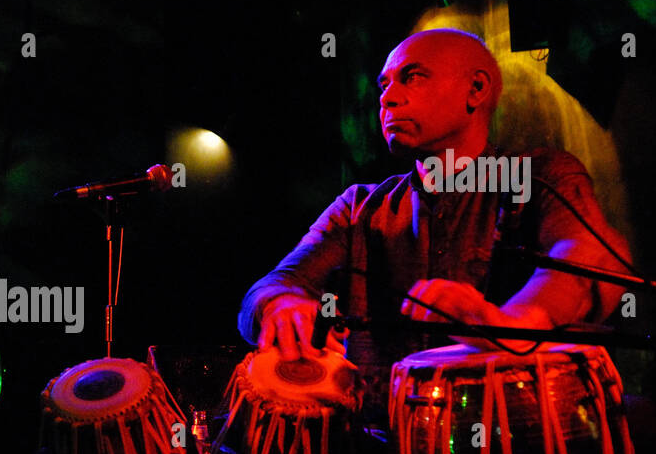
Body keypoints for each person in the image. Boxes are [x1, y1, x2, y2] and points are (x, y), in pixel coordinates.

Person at [239, 28, 633, 427]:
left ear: (475, 90)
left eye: (412, 77)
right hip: (380, 446)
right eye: (384, 85)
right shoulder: (359, 206)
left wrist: (516, 323)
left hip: (517, 438)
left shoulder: (539, 176)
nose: (387, 98)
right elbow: (273, 285)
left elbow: (584, 255)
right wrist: (280, 305)